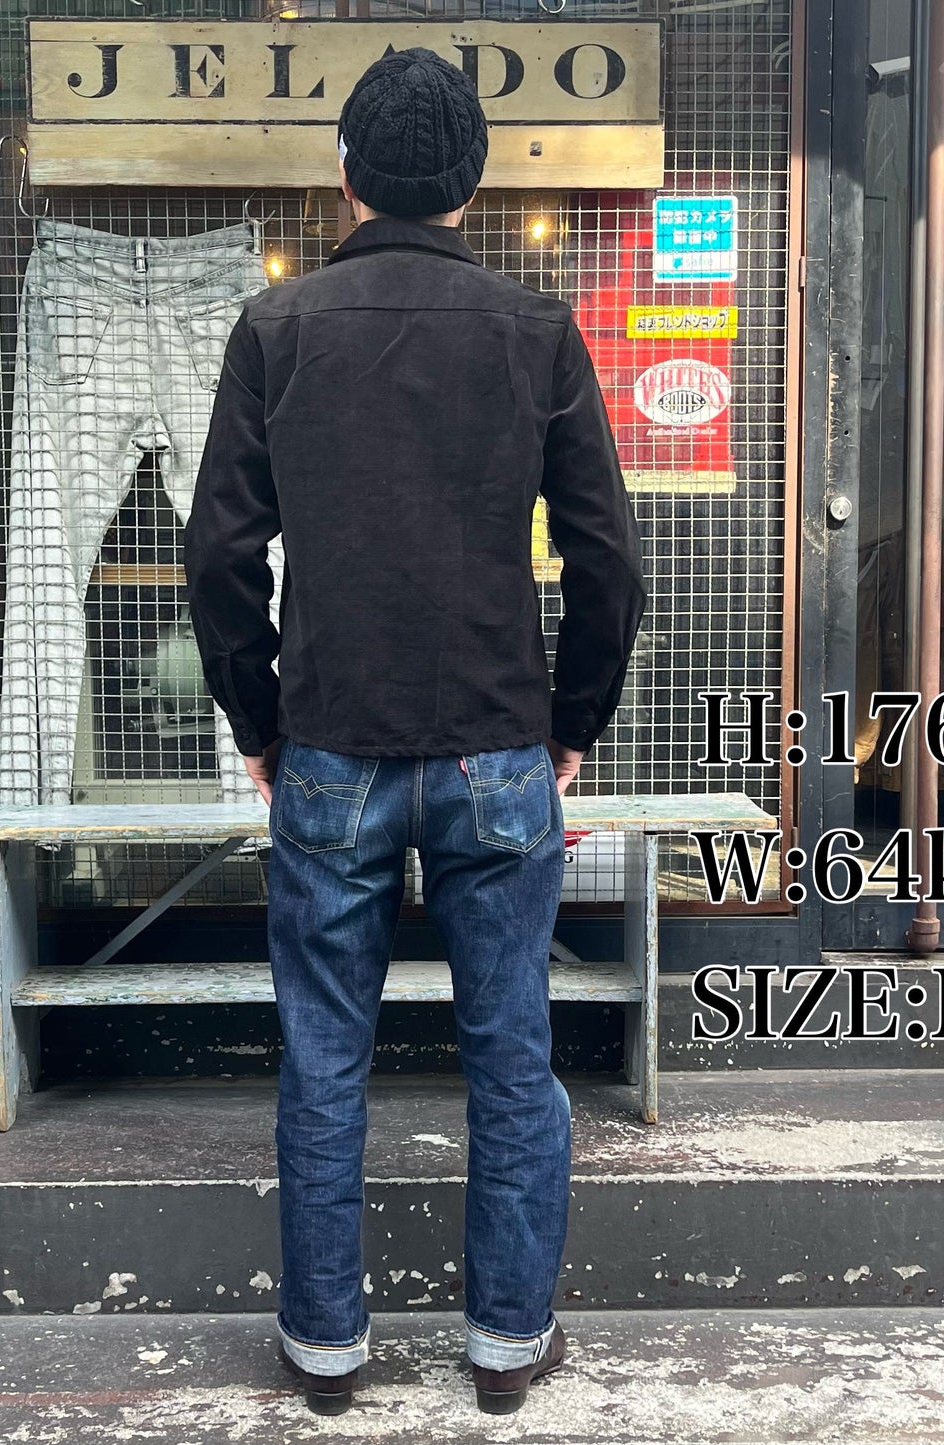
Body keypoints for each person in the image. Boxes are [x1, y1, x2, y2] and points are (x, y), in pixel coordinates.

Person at [182, 48, 646, 1417]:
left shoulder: (277, 329)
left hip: (329, 745)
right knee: (512, 1056)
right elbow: (610, 560)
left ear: (345, 174)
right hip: (498, 746)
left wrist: (259, 720)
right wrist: (569, 726)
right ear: (472, 185)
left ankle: (326, 1350)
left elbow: (219, 555)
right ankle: (505, 1345)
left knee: (325, 1057)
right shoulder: (534, 330)